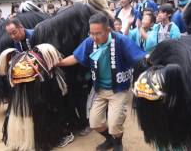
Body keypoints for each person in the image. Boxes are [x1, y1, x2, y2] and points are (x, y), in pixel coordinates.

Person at [57, 13, 145, 151]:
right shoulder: (89, 42)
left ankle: (117, 142)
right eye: (91, 33)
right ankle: (110, 139)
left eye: (98, 33)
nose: (94, 37)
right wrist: (58, 63)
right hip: (99, 89)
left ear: (108, 30)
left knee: (115, 123)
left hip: (118, 89)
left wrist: (153, 60)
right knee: (95, 122)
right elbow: (75, 57)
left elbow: (140, 58)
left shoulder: (121, 41)